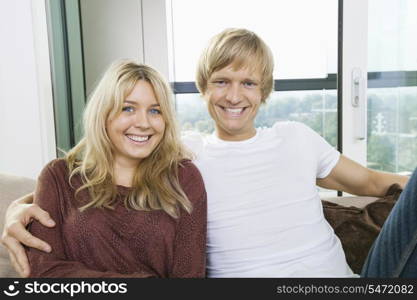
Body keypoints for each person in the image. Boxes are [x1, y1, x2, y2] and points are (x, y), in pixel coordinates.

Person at [2, 28, 415, 277]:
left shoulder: (297, 137)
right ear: (202, 89)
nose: (234, 96)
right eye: (221, 81)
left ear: (265, 91)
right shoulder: (184, 158)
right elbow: (101, 170)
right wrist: (19, 206)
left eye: (248, 83)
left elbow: (376, 183)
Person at [3, 60, 207, 277]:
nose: (144, 123)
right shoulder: (58, 177)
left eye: (155, 111)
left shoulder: (183, 178)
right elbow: (44, 271)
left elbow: (190, 276)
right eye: (128, 108)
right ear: (103, 114)